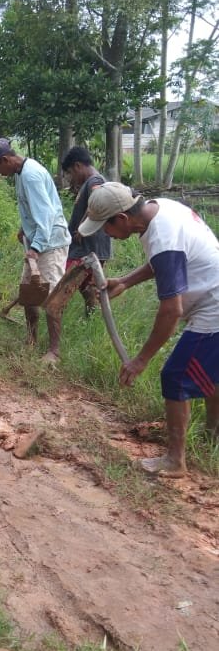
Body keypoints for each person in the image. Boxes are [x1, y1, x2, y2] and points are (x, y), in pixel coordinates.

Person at [79, 182, 219, 478]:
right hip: (212, 301)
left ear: (122, 219)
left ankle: (175, 461)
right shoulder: (160, 209)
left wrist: (140, 359)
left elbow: (171, 310)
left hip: (214, 309)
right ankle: (212, 437)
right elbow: (163, 262)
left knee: (175, 376)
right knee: (210, 375)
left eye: (105, 227)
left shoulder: (163, 236)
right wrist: (127, 281)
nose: (106, 234)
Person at [0, 138, 70, 362]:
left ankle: (54, 351)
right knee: (29, 296)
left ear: (5, 160)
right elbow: (36, 209)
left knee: (51, 298)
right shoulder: (22, 173)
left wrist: (36, 248)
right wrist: (25, 228)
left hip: (50, 243)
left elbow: (48, 215)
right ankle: (31, 340)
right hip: (38, 240)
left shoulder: (30, 175)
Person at [61, 146, 110, 314]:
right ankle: (92, 318)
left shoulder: (95, 181)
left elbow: (99, 202)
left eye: (69, 173)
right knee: (86, 287)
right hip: (87, 248)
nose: (70, 178)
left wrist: (82, 227)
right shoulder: (89, 183)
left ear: (77, 166)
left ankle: (55, 314)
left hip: (87, 249)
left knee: (64, 287)